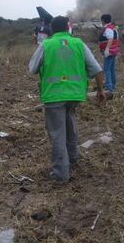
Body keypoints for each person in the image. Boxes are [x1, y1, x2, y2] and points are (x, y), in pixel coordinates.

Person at [29, 16, 104, 182]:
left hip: (54, 95)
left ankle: (60, 174)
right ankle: (73, 157)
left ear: (52, 29)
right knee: (70, 122)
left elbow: (32, 69)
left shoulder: (46, 45)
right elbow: (97, 70)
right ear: (68, 28)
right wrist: (100, 91)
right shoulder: (79, 44)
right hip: (75, 95)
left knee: (57, 134)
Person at [98, 14, 120, 93]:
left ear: (103, 20)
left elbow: (110, 39)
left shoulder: (108, 28)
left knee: (106, 69)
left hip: (110, 51)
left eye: (101, 20)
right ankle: (112, 85)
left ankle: (109, 88)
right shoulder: (113, 27)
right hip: (114, 50)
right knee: (111, 68)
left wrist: (107, 49)